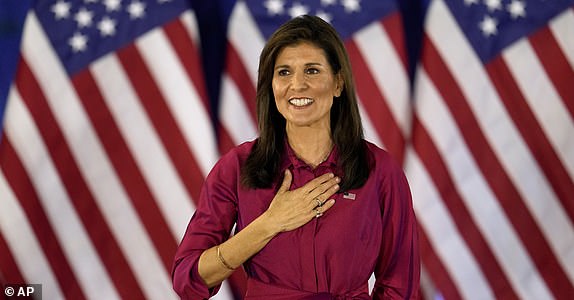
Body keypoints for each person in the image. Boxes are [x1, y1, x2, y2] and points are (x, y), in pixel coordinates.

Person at [172, 15, 420, 299]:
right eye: (284, 72)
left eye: (312, 71)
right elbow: (187, 279)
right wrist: (270, 223)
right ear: (271, 85)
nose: (297, 85)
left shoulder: (380, 170)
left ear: (338, 83)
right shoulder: (236, 167)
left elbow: (400, 286)